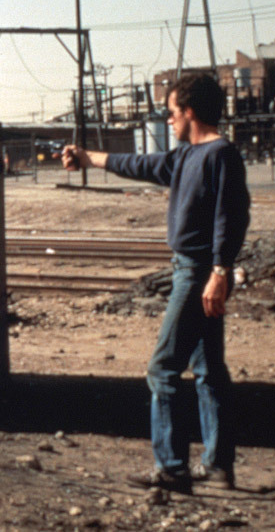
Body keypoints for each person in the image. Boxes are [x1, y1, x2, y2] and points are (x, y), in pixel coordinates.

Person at [61, 72, 249, 494]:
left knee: (162, 368)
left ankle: (171, 468)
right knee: (207, 369)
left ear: (190, 113)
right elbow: (139, 164)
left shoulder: (221, 156)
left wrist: (220, 273)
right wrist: (89, 158)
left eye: (171, 112)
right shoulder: (185, 157)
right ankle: (218, 467)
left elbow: (231, 219)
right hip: (197, 271)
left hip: (199, 273)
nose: (168, 120)